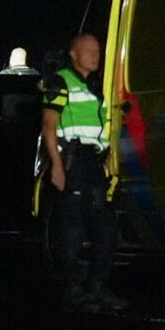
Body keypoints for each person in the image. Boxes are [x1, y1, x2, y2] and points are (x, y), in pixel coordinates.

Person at [42, 32, 124, 313]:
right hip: (72, 161)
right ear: (73, 54)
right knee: (72, 228)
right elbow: (49, 125)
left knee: (106, 227)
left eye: (98, 50)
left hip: (92, 163)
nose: (95, 55)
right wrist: (56, 165)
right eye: (89, 50)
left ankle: (97, 287)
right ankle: (73, 291)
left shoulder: (94, 86)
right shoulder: (61, 81)